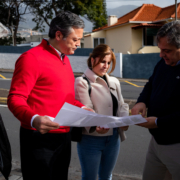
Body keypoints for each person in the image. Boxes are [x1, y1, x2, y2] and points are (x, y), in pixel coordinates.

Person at [8, 11, 93, 180]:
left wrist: (84, 109)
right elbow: (15, 98)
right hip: (38, 139)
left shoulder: (65, 59)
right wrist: (34, 119)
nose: (78, 44)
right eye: (75, 40)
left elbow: (65, 100)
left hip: (63, 138)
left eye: (79, 40)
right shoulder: (31, 58)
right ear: (59, 35)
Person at [131, 21, 180, 180]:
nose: (161, 55)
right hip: (156, 142)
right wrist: (141, 101)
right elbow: (151, 83)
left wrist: (159, 122)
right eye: (160, 49)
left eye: (166, 51)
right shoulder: (164, 62)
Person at [74, 44, 129, 180]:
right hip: (91, 139)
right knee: (89, 177)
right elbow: (87, 109)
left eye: (109, 63)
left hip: (113, 138)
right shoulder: (82, 82)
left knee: (107, 176)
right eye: (103, 61)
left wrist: (125, 120)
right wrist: (96, 125)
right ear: (93, 60)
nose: (106, 66)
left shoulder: (115, 82)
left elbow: (122, 105)